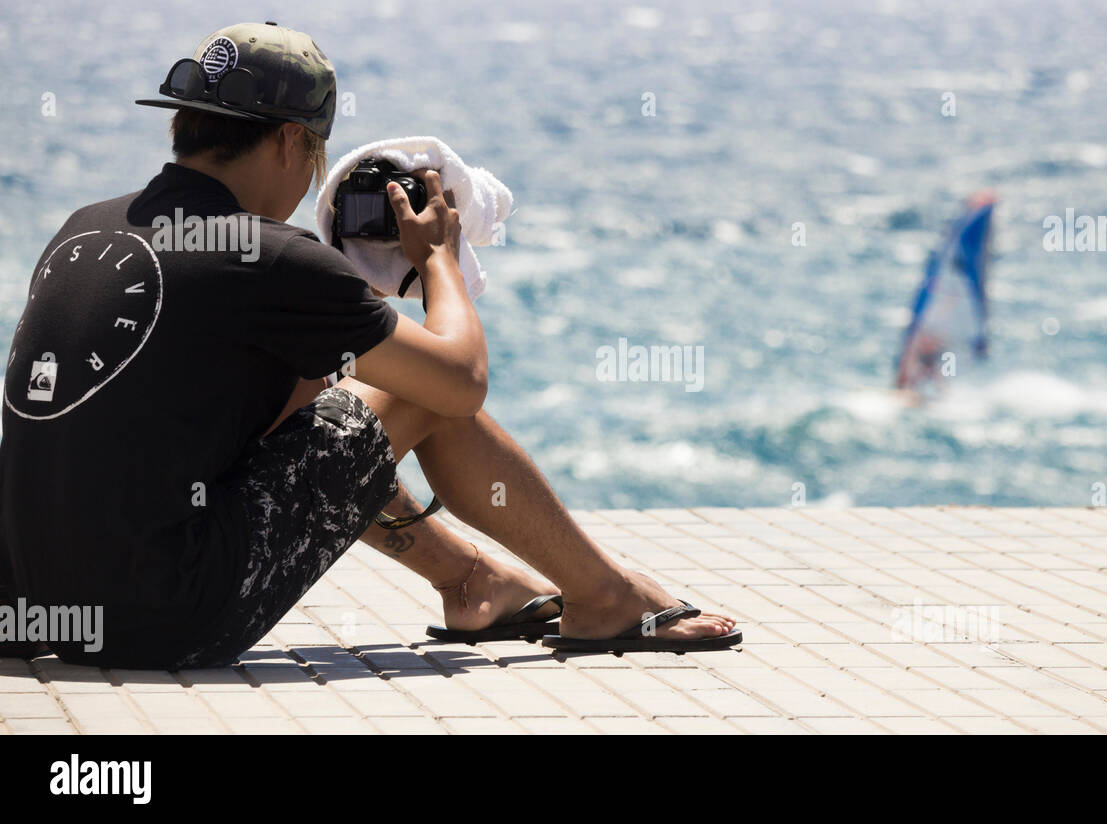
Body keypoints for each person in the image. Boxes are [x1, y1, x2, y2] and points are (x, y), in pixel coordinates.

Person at [0, 22, 738, 668]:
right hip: (163, 621)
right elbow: (460, 381)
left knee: (337, 404)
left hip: (37, 606)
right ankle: (604, 597)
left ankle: (473, 583)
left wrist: (336, 312)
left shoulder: (85, 225)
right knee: (421, 388)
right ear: (292, 140)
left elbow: (288, 429)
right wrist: (437, 259)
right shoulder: (271, 255)